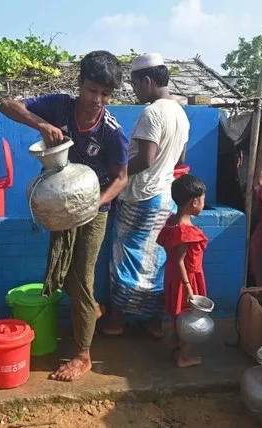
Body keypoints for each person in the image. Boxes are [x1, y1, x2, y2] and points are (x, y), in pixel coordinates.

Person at [0, 50, 129, 381]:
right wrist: (41, 124)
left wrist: (98, 202)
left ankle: (83, 354)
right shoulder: (59, 106)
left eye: (104, 93)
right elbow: (6, 105)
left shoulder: (112, 132)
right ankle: (91, 311)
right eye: (91, 90)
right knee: (64, 271)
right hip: (60, 205)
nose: (96, 99)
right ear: (80, 84)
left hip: (95, 210)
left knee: (81, 276)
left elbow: (122, 178)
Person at [105, 53, 190, 338]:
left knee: (123, 257)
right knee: (155, 259)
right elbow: (180, 160)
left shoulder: (152, 112)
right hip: (163, 197)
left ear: (148, 81)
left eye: (135, 84)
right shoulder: (180, 112)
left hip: (139, 196)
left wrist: (117, 175)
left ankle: (116, 322)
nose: (134, 90)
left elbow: (146, 159)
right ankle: (154, 323)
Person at [157, 174, 208, 368]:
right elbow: (180, 261)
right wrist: (189, 289)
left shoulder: (172, 222)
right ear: (194, 202)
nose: (204, 203)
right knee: (190, 319)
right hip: (186, 279)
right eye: (203, 200)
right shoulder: (186, 231)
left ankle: (174, 340)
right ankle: (184, 356)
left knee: (178, 313)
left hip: (173, 277)